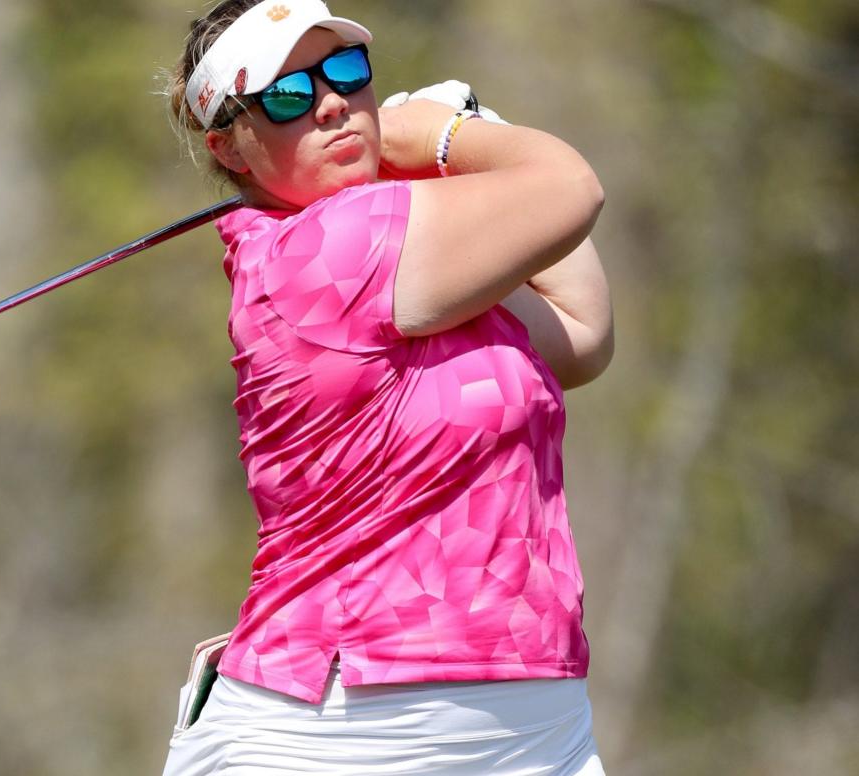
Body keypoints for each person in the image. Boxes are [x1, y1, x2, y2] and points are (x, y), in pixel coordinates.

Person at [162, 1, 613, 773]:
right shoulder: (333, 247)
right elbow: (570, 187)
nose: (333, 102)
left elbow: (580, 336)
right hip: (341, 731)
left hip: (536, 728)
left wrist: (455, 140)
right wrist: (445, 134)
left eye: (343, 71)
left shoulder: (404, 261)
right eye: (286, 96)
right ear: (231, 150)